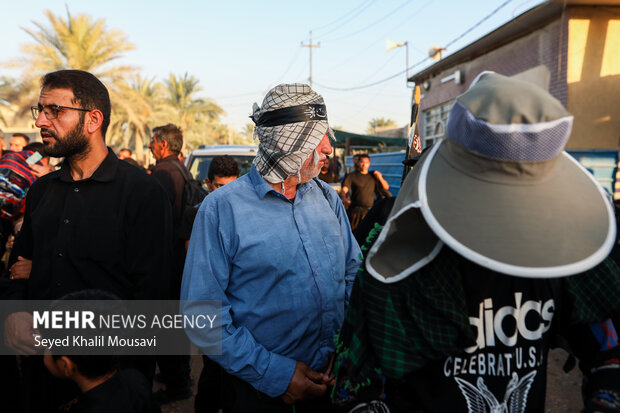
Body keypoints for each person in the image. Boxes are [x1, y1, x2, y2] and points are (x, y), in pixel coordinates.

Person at [333, 72, 620, 413]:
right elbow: (357, 385)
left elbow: (609, 350)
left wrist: (605, 402)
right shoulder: (398, 254)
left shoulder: (561, 253)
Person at [181, 83, 362, 413]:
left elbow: (353, 274)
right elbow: (203, 316)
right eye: (317, 137)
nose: (328, 148)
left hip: (333, 384)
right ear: (288, 143)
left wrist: (345, 347)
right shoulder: (221, 209)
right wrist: (276, 375)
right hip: (258, 394)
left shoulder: (327, 199)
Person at [3, 69, 173, 412]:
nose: (41, 122)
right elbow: (15, 271)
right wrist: (15, 314)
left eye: (56, 111)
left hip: (111, 384)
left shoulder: (143, 193)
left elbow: (152, 297)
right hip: (42, 374)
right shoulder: (41, 191)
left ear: (93, 119)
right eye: (41, 110)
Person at [147, 123, 193, 403]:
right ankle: (180, 376)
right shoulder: (180, 167)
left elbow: (155, 218)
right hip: (177, 254)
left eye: (153, 142)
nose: (150, 146)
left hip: (166, 256)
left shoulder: (164, 171)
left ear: (163, 144)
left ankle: (176, 384)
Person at [340, 154, 390, 230]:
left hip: (370, 211)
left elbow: (386, 187)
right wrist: (344, 197)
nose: (364, 165)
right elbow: (344, 189)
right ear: (359, 163)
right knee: (355, 234)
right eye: (362, 162)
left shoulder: (373, 176)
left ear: (369, 163)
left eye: (366, 162)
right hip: (356, 212)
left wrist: (380, 177)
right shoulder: (352, 176)